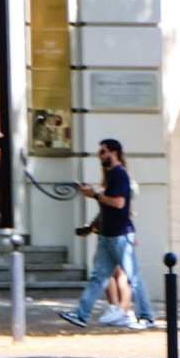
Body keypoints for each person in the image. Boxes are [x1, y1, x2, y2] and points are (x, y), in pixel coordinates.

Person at [60, 138, 154, 330]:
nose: (100, 155)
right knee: (98, 277)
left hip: (120, 235)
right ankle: (81, 315)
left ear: (114, 153)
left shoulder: (119, 174)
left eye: (103, 152)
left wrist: (94, 195)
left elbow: (119, 203)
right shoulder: (112, 176)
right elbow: (108, 206)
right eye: (100, 152)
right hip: (109, 235)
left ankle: (146, 316)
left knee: (132, 276)